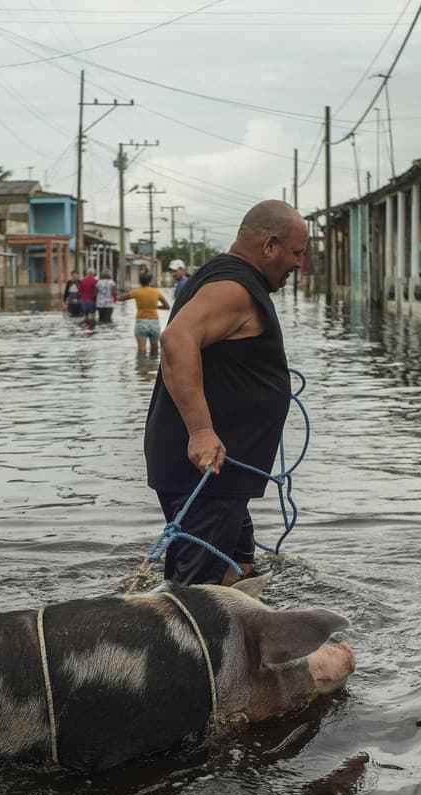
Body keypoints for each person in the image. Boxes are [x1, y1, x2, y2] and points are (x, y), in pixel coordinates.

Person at [143, 200, 307, 586]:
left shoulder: (221, 276)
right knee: (195, 596)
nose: (299, 264)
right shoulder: (234, 288)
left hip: (222, 472)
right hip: (205, 471)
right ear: (269, 245)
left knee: (239, 575)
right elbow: (176, 339)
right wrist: (201, 431)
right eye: (296, 252)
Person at [125, 269, 170, 358]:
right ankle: (153, 368)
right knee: (154, 350)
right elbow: (167, 306)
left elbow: (120, 298)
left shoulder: (136, 292)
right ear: (150, 280)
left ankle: (142, 370)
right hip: (154, 323)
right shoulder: (156, 292)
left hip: (141, 323)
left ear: (140, 280)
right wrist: (155, 307)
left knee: (142, 351)